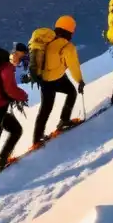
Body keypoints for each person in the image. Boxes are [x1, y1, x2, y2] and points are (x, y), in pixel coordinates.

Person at [33, 15, 85, 145]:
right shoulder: (67, 46)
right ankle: (64, 121)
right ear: (71, 31)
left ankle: (37, 138)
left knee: (45, 109)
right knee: (71, 92)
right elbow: (73, 66)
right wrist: (80, 80)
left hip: (44, 80)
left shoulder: (46, 41)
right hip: (57, 78)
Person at [0, 44, 30, 179]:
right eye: (20, 55)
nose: (19, 59)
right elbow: (10, 89)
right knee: (16, 130)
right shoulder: (7, 67)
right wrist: (23, 96)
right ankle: (1, 161)